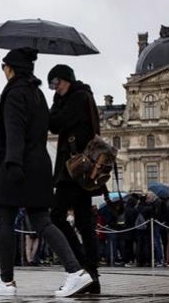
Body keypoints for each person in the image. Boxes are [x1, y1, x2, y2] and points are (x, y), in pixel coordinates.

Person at [0, 47, 93, 298]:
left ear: (12, 69)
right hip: (40, 165)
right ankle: (76, 272)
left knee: (6, 220)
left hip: (16, 164)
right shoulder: (37, 93)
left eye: (4, 66)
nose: (3, 70)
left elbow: (14, 132)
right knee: (43, 221)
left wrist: (12, 164)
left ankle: (6, 281)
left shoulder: (15, 94)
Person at [46, 64, 105, 292]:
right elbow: (56, 125)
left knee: (57, 216)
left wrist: (55, 105)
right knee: (84, 222)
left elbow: (55, 124)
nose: (55, 87)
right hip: (81, 170)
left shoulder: (78, 98)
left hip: (74, 170)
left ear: (67, 79)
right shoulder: (80, 96)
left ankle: (81, 267)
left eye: (56, 82)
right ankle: (92, 276)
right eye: (51, 84)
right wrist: (57, 101)